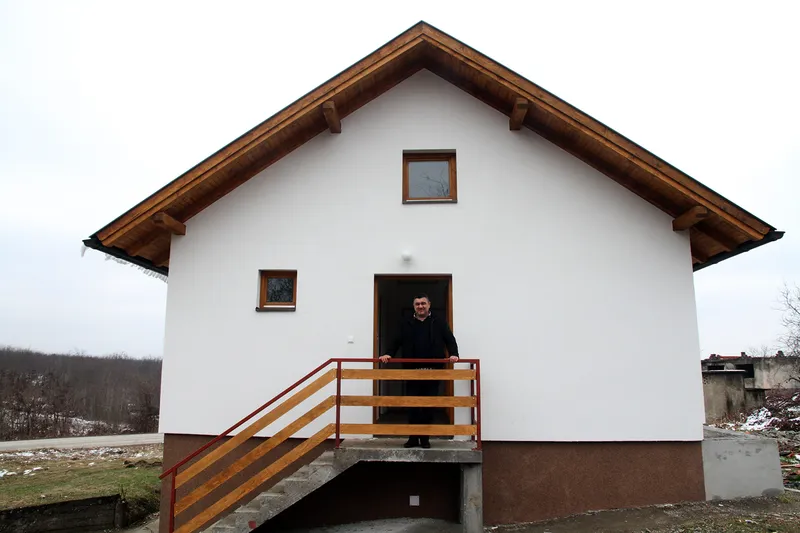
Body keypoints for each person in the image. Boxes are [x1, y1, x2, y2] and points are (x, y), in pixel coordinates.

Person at [379, 293, 459, 448]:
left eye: (423, 303)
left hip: (432, 372)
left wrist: (454, 354)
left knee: (428, 406)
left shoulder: (439, 322)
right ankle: (413, 438)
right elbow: (396, 341)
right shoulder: (406, 323)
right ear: (414, 306)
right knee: (413, 405)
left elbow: (450, 339)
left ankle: (425, 438)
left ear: (429, 305)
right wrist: (389, 353)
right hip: (412, 371)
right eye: (417, 304)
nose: (420, 306)